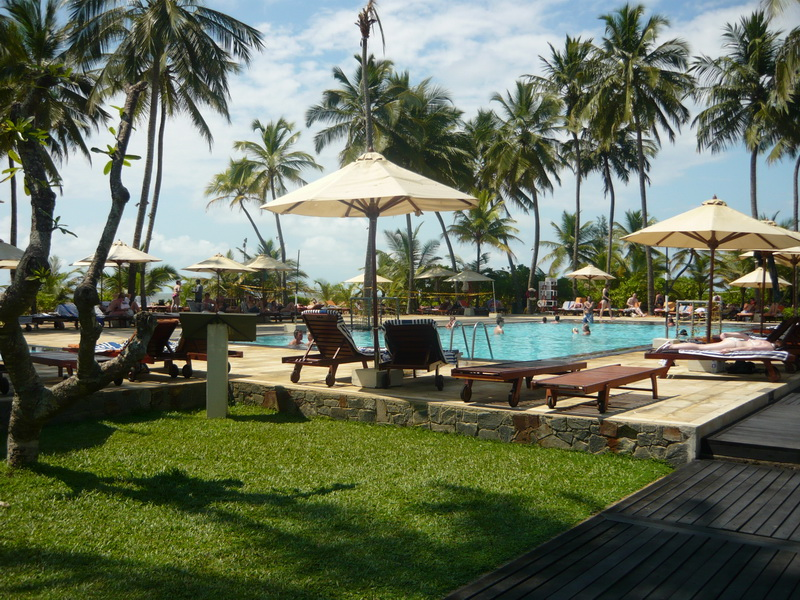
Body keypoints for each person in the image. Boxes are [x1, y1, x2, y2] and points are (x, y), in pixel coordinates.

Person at [659, 331, 775, 353]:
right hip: (733, 344)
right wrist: (731, 350)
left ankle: (671, 346)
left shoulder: (762, 340)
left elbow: (743, 336)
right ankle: (671, 346)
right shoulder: (769, 347)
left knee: (703, 346)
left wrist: (726, 334)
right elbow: (750, 348)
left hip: (732, 340)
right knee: (701, 347)